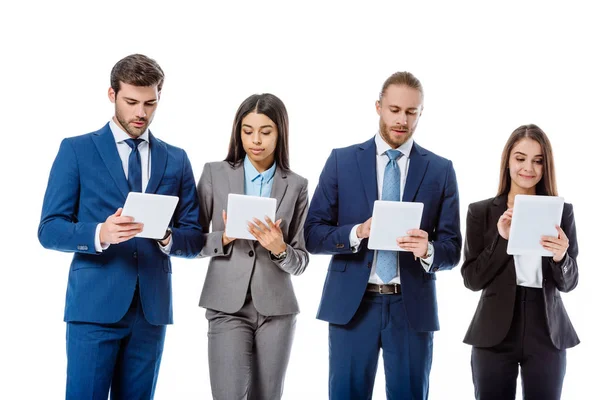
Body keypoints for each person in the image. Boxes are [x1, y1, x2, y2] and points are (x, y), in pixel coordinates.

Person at [38, 54, 204, 399]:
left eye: (150, 103)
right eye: (131, 102)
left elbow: (195, 236)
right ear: (112, 95)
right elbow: (49, 228)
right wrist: (100, 233)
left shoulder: (176, 158)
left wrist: (168, 237)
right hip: (93, 307)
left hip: (150, 311)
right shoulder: (77, 150)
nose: (141, 113)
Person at [304, 71, 461, 399]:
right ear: (378, 107)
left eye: (411, 112)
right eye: (394, 109)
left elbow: (452, 248)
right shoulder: (342, 161)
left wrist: (428, 249)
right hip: (352, 305)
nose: (402, 119)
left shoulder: (440, 170)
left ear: (420, 113)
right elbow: (313, 234)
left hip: (411, 306)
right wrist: (358, 232)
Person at [196, 93, 309, 400]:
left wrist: (279, 248)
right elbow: (191, 241)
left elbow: (301, 260)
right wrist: (224, 237)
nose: (255, 140)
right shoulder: (213, 174)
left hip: (277, 309)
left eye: (265, 131)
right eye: (247, 131)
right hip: (225, 305)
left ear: (280, 133)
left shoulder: (296, 185)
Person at [461, 124, 579, 400]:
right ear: (507, 162)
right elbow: (472, 279)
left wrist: (561, 257)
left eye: (538, 161)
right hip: (494, 329)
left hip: (546, 329)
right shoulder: (481, 212)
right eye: (520, 158)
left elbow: (570, 283)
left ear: (545, 167)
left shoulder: (562, 211)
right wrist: (502, 240)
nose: (528, 168)